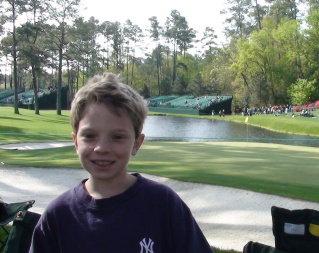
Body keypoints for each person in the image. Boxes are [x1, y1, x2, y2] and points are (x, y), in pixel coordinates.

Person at [29, 73, 213, 253]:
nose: (102, 148)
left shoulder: (162, 203)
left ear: (136, 144)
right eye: (90, 136)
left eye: (117, 137)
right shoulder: (59, 214)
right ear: (76, 142)